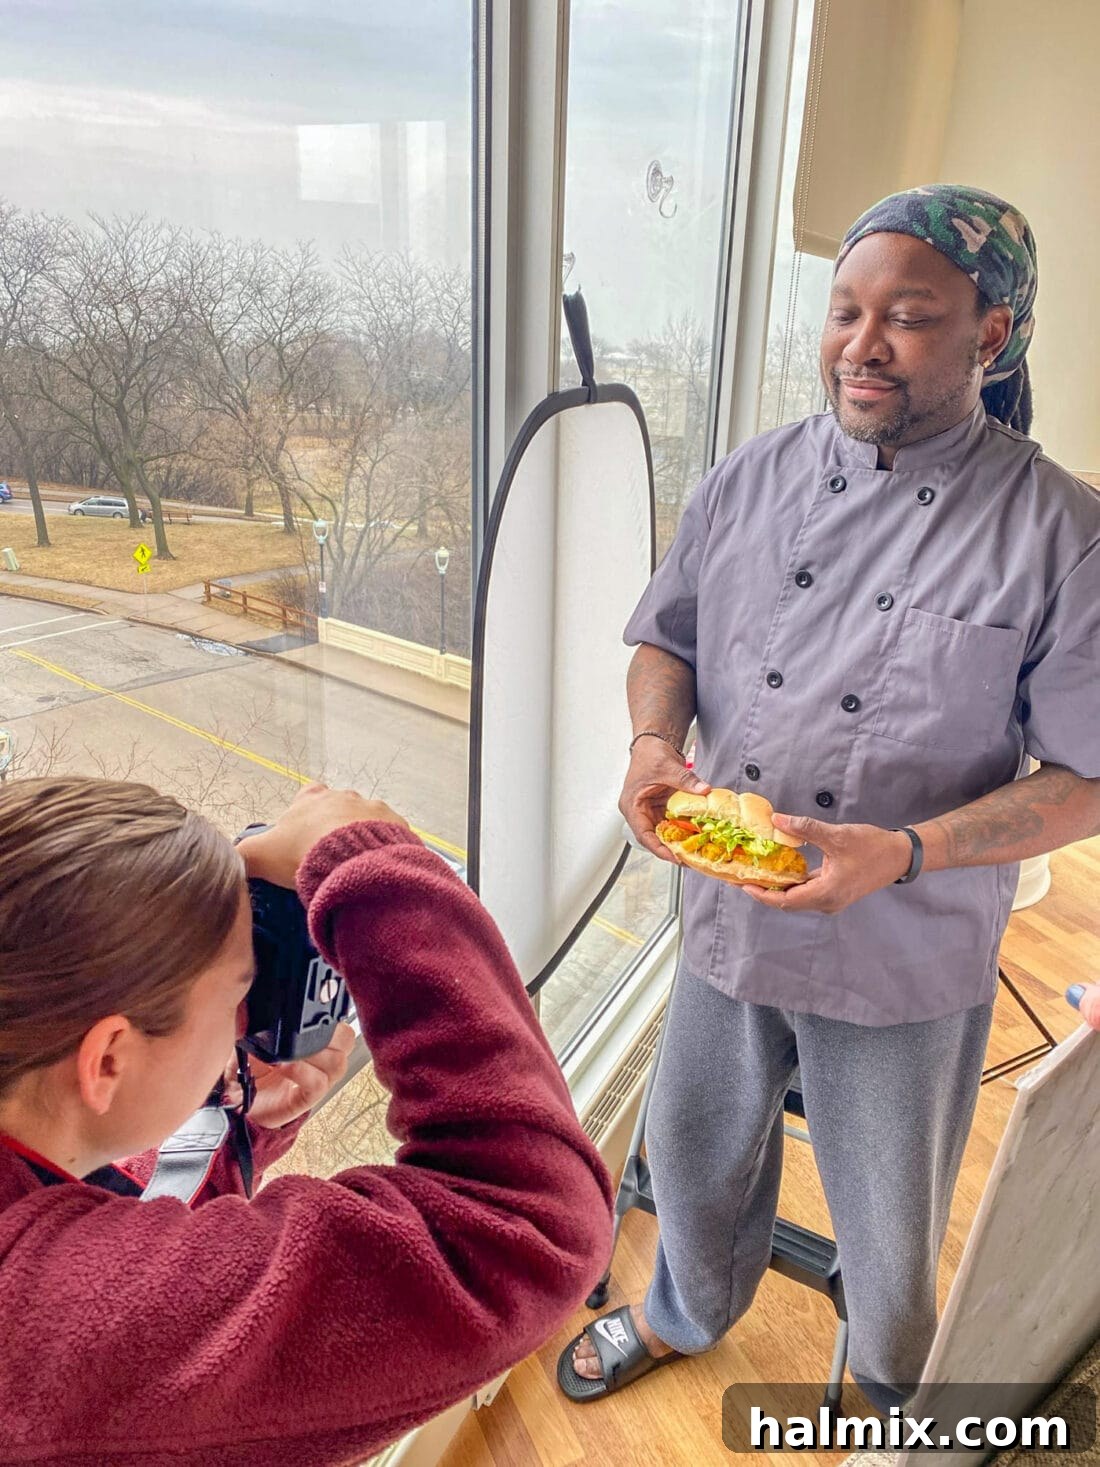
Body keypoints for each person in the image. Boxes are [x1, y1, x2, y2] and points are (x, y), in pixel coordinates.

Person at [559, 184, 1100, 1409]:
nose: (861, 344)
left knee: (888, 1215)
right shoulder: (749, 477)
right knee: (693, 1161)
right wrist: (653, 746)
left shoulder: (1061, 533)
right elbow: (668, 639)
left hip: (902, 947)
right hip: (725, 912)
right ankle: (682, 1313)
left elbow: (1086, 782)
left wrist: (898, 854)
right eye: (844, 311)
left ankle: (893, 1384)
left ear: (991, 334)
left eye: (906, 317)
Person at [0, 776, 613, 1464]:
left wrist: (231, 1128)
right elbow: (527, 1222)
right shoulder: (45, 1325)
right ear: (107, 1060)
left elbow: (136, 1294)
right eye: (240, 990)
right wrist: (370, 867)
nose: (248, 1020)